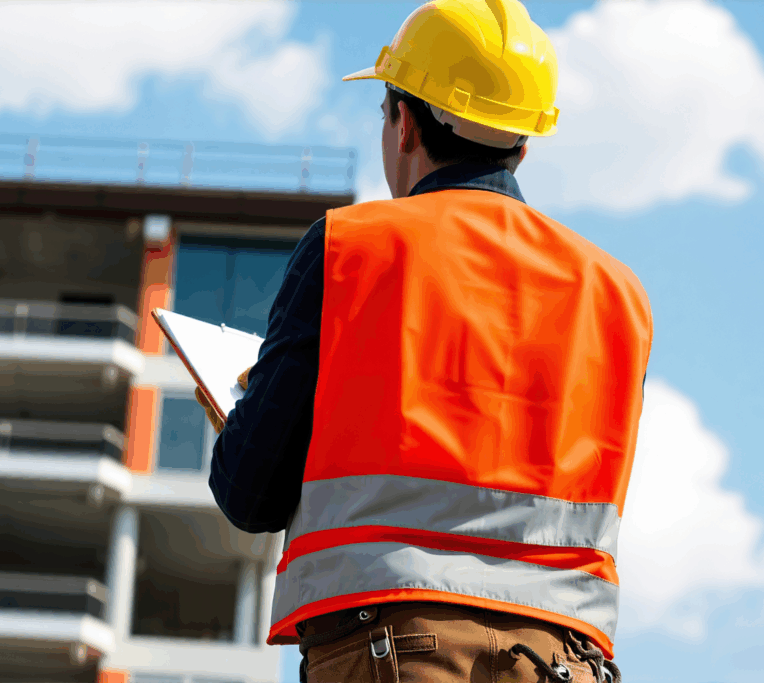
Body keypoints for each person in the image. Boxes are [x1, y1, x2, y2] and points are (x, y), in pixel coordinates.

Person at [196, 1, 653, 681]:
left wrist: (241, 416)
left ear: (404, 122)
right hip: (564, 660)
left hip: (390, 647)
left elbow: (250, 492)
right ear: (522, 142)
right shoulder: (616, 293)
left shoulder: (351, 249)